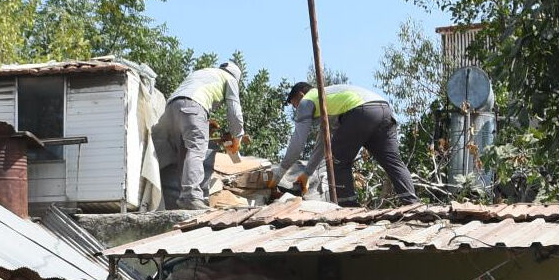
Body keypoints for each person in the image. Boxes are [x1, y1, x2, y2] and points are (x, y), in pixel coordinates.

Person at [276, 82, 418, 205]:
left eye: (294, 105)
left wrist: (278, 175)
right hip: (384, 109)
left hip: (361, 110)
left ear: (301, 95)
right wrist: (307, 174)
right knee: (392, 161)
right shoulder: (328, 101)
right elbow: (322, 144)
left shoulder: (307, 100)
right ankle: (411, 202)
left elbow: (297, 143)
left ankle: (348, 205)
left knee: (336, 160)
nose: (296, 109)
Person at [157, 58, 248, 209]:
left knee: (183, 155)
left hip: (170, 109)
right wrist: (237, 138)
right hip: (192, 106)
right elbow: (234, 112)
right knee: (196, 150)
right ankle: (191, 196)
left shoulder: (203, 73)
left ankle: (183, 198)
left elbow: (188, 100)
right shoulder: (230, 79)